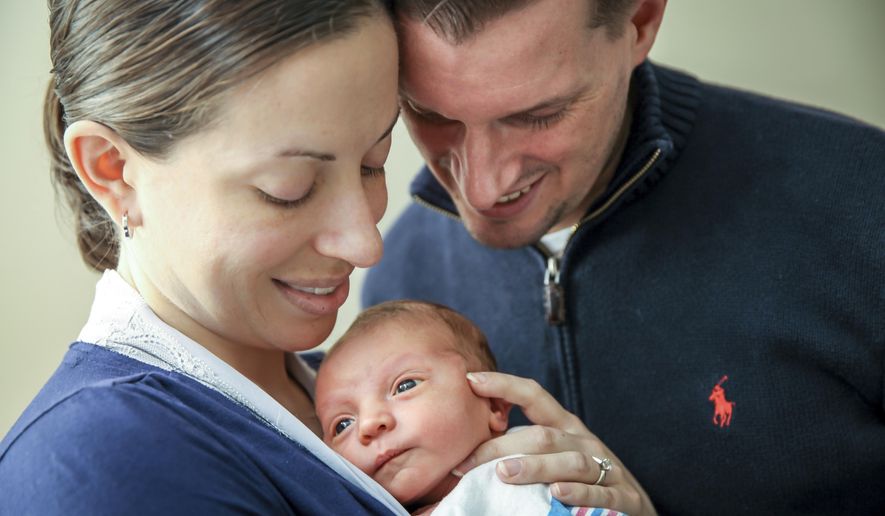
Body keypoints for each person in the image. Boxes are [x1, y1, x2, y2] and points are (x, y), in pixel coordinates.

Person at [0, 0, 647, 513]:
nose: (367, 245)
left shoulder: (331, 392)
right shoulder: (99, 468)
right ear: (113, 170)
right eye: (290, 190)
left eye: (372, 163)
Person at [362, 0, 885, 514]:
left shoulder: (866, 205)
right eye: (431, 115)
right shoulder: (400, 274)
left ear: (641, 21)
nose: (481, 189)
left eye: (539, 115)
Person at [316, 300, 626, 515]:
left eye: (405, 386)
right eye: (342, 424)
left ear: (494, 404)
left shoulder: (537, 484)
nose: (369, 424)